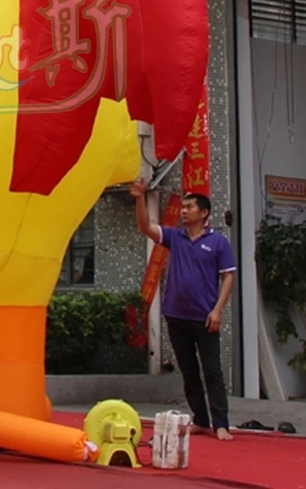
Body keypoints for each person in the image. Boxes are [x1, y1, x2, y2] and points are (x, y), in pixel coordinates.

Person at [130, 177, 237, 441]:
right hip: (176, 316)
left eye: (190, 207)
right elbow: (145, 226)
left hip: (204, 318)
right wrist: (139, 198)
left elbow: (228, 277)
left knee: (212, 371)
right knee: (189, 372)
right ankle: (200, 420)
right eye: (184, 206)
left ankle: (220, 423)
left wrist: (218, 310)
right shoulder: (174, 237)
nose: (184, 210)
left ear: (204, 213)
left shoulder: (218, 243)